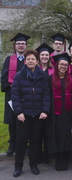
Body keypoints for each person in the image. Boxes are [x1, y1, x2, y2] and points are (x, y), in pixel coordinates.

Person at [11, 49, 50, 177]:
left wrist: (45, 110)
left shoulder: (43, 76)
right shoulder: (19, 76)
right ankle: (18, 166)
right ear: (25, 61)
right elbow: (15, 95)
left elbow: (46, 95)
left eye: (33, 59)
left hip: (38, 115)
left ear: (37, 61)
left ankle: (33, 165)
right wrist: (19, 112)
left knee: (35, 141)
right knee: (21, 141)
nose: (31, 61)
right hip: (23, 115)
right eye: (28, 59)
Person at [1, 33, 30, 157]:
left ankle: (25, 145)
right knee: (13, 121)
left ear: (26, 45)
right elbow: (4, 77)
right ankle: (12, 144)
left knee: (25, 120)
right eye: (19, 43)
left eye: (23, 44)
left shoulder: (30, 59)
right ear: (15, 45)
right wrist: (12, 85)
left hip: (27, 95)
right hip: (12, 95)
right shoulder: (9, 59)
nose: (21, 46)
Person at [48, 53, 72, 171]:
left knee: (66, 136)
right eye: (61, 64)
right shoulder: (50, 78)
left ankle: (65, 158)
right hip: (55, 113)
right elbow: (47, 96)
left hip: (67, 113)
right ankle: (58, 159)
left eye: (65, 65)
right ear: (57, 65)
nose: (63, 66)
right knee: (57, 136)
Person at [35, 43, 55, 164]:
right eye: (42, 55)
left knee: (47, 131)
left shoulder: (53, 69)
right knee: (37, 132)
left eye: (46, 55)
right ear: (39, 56)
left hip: (50, 103)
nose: (44, 57)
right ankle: (38, 156)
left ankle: (47, 155)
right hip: (36, 103)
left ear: (49, 57)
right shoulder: (35, 69)